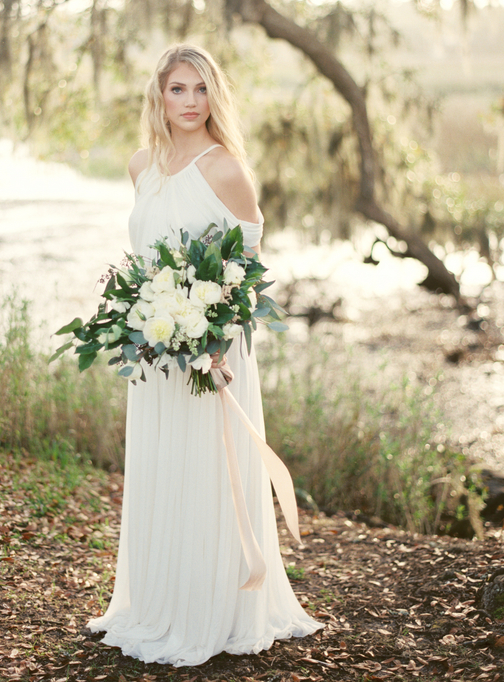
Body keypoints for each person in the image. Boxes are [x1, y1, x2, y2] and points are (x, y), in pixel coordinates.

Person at [87, 43, 323, 666]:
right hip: (157, 355)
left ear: (214, 96)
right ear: (158, 96)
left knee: (209, 472)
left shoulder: (226, 170)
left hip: (214, 354)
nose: (190, 103)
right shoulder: (142, 166)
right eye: (177, 90)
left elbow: (246, 272)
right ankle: (157, 603)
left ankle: (213, 611)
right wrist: (142, 317)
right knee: (164, 467)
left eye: (200, 90)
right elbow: (143, 263)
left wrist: (213, 341)